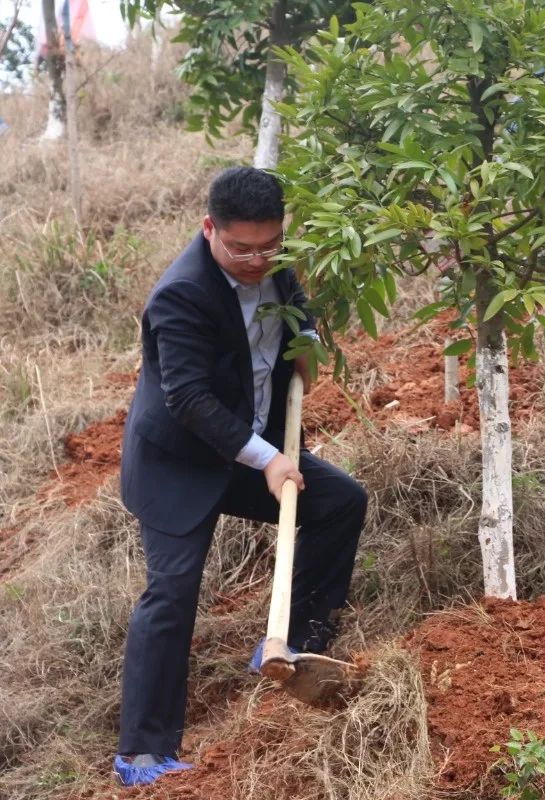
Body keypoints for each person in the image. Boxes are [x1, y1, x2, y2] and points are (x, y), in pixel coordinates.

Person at [113, 166, 368, 787]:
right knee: (171, 594)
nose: (257, 260)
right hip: (180, 462)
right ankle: (143, 752)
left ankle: (292, 643)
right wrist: (269, 459)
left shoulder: (274, 260)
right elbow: (189, 400)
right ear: (209, 230)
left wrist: (305, 343)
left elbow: (297, 309)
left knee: (340, 501)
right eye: (241, 248)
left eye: (269, 244)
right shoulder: (182, 295)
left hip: (248, 445)